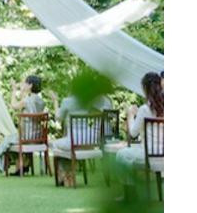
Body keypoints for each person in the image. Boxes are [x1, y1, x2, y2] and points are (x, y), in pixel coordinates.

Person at [115, 72, 164, 201]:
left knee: (121, 154)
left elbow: (132, 133)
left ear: (146, 89)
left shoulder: (144, 109)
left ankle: (130, 194)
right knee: (128, 155)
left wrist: (131, 115)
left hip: (149, 157)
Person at [48, 88, 112, 186]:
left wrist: (55, 101)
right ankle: (67, 175)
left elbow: (58, 117)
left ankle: (64, 174)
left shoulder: (67, 101)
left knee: (53, 144)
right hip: (89, 141)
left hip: (73, 141)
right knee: (65, 148)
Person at [0, 75, 45, 174]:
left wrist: (13, 90)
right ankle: (22, 165)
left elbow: (14, 105)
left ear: (30, 85)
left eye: (25, 83)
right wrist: (22, 92)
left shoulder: (27, 101)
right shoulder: (40, 101)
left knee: (6, 141)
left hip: (26, 135)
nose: (23, 84)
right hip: (38, 134)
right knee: (10, 140)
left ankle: (10, 162)